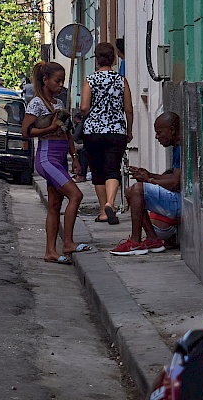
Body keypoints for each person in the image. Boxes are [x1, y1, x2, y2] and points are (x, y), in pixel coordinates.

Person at [22, 62, 90, 264]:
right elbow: (25, 132)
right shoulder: (36, 104)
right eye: (57, 81)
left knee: (54, 204)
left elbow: (68, 133)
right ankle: (67, 242)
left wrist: (75, 158)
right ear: (45, 80)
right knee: (76, 194)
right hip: (47, 157)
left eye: (62, 81)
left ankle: (50, 251)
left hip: (60, 158)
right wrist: (49, 129)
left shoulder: (59, 104)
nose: (61, 85)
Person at [111, 113, 182, 255]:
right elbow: (173, 176)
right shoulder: (176, 147)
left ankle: (136, 242)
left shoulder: (180, 147)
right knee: (132, 191)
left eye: (159, 133)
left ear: (172, 130)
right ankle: (151, 239)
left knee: (136, 190)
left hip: (180, 203)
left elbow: (175, 183)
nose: (157, 137)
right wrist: (149, 175)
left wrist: (149, 180)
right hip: (178, 200)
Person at [81, 41, 133, 225]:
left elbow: (84, 107)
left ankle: (103, 211)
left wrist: (90, 114)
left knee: (98, 171)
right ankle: (111, 203)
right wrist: (129, 130)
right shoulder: (121, 80)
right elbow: (128, 109)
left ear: (97, 60)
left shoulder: (90, 79)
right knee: (113, 169)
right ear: (113, 59)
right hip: (116, 131)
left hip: (93, 132)